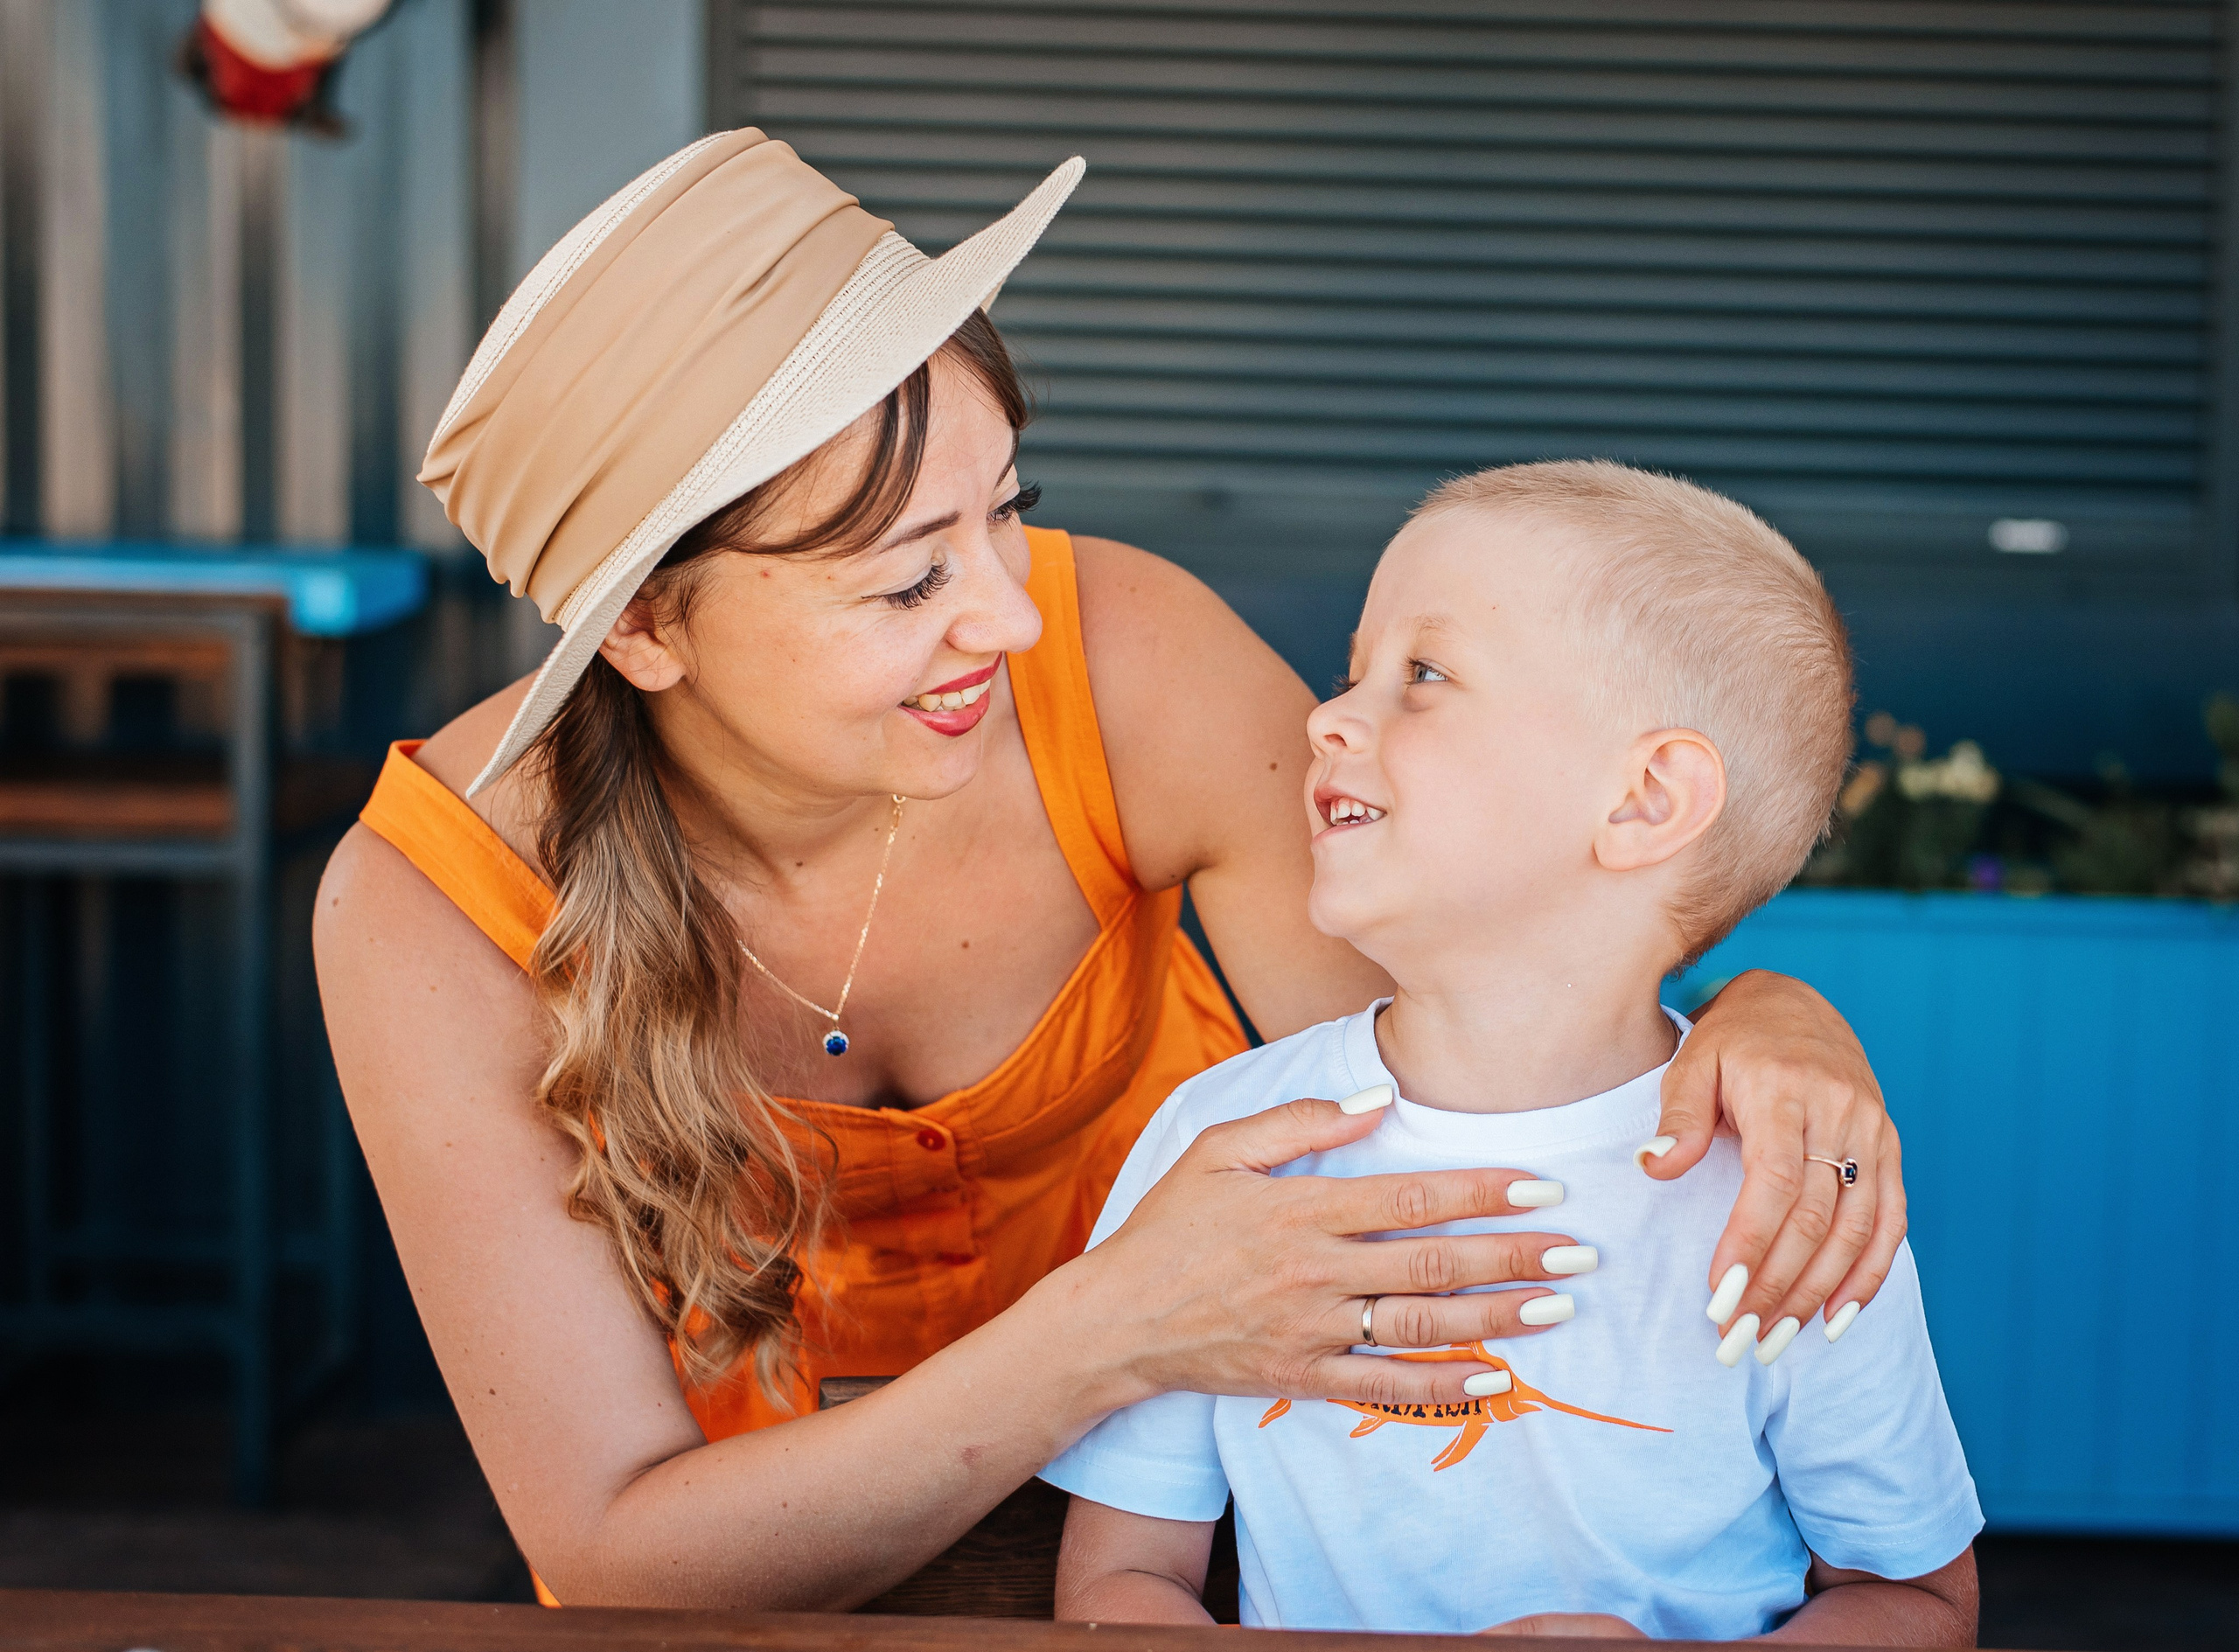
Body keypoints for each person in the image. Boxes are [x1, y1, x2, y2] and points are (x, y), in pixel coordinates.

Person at [315, 131, 1909, 1611]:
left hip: (1230, 1538)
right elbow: (616, 1556)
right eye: (907, 579)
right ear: (650, 626)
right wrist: (1115, 1324)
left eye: (1007, 514)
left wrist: (1766, 1006)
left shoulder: (1122, 657)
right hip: (771, 1603)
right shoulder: (428, 906)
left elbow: (1511, 995)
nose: (1009, 616)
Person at [1045, 462, 1980, 1643]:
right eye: (1352, 673)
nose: (1325, 718)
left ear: (1646, 798)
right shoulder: (1220, 1142)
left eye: (1423, 676)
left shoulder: (1789, 1189)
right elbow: (1122, 1582)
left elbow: (1917, 1597)